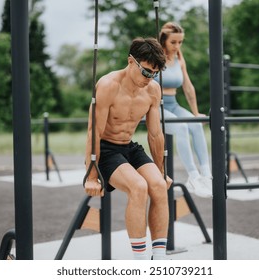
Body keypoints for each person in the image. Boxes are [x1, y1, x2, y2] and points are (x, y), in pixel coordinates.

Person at [84, 37, 173, 260]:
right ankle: (140, 262)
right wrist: (91, 175)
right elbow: (93, 132)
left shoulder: (153, 90)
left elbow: (154, 134)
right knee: (139, 187)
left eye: (154, 73)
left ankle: (159, 258)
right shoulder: (107, 85)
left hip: (129, 148)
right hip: (105, 150)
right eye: (146, 71)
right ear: (131, 61)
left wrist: (161, 171)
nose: (149, 78)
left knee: (159, 185)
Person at [155, 22, 212, 197]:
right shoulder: (154, 58)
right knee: (181, 128)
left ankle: (206, 175)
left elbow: (188, 87)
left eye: (180, 42)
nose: (177, 46)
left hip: (173, 104)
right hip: (155, 106)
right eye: (173, 42)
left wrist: (195, 113)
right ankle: (193, 177)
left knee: (195, 124)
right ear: (163, 40)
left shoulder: (179, 59)